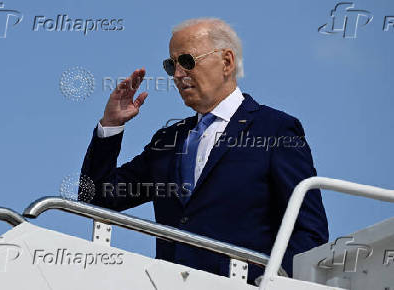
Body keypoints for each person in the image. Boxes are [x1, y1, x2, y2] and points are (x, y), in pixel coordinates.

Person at [79, 17, 328, 285]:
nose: (177, 74)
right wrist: (111, 125)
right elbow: (96, 197)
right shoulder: (168, 141)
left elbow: (308, 232)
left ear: (227, 62)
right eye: (170, 65)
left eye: (186, 61)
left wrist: (270, 283)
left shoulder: (274, 129)